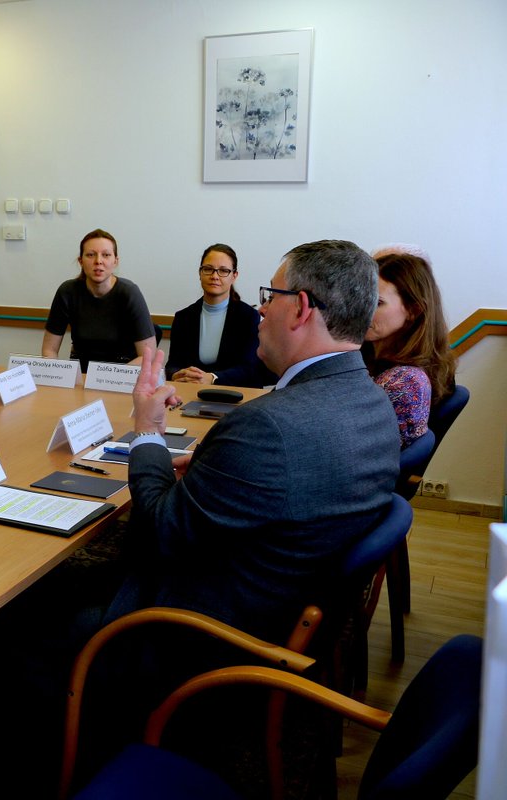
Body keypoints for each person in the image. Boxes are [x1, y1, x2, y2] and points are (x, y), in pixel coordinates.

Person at [118, 239, 401, 643]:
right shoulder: (375, 401)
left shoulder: (265, 426)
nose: (262, 309)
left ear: (301, 308)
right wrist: (219, 472)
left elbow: (160, 533)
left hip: (205, 633)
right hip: (289, 603)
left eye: (270, 295)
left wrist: (148, 432)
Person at [363, 251, 456, 448]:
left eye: (377, 302)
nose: (362, 309)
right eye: (360, 298)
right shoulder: (365, 355)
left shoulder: (405, 382)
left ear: (413, 311)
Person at [41, 229, 156, 371]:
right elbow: (49, 350)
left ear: (115, 261)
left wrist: (107, 377)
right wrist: (55, 374)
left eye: (106, 255)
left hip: (122, 373)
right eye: (91, 255)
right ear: (81, 261)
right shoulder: (67, 291)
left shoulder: (129, 292)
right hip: (81, 373)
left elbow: (148, 357)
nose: (98, 261)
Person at [165, 244, 274, 388]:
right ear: (200, 273)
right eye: (208, 269)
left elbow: (250, 369)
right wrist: (176, 374)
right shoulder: (183, 317)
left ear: (234, 276)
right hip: (190, 392)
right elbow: (172, 365)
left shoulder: (249, 317)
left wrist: (212, 378)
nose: (214, 276)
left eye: (223, 271)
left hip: (235, 394)